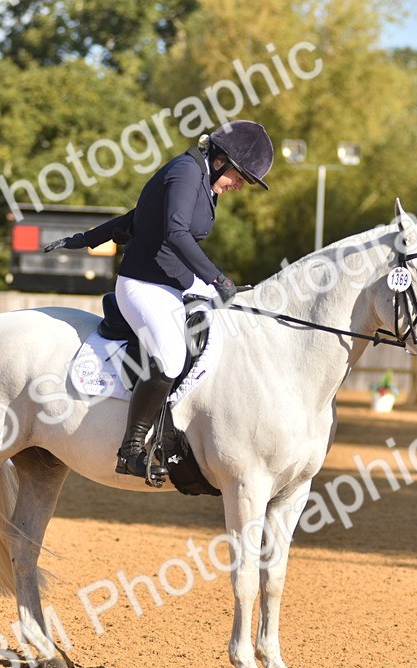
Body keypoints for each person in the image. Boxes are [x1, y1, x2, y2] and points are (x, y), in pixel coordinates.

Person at [44, 120, 274, 481]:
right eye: (239, 177)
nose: (239, 186)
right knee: (169, 354)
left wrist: (86, 237)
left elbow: (138, 219)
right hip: (142, 283)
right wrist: (217, 278)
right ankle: (131, 449)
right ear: (220, 160)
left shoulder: (201, 180)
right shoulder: (184, 173)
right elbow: (175, 232)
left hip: (175, 280)